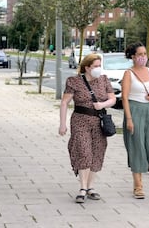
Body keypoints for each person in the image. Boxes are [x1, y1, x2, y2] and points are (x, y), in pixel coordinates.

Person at [59, 53, 116, 203]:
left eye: (99, 66)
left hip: (99, 121)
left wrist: (102, 105)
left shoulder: (104, 80)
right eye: (95, 66)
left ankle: (91, 187)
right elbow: (64, 102)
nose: (98, 69)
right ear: (87, 67)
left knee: (97, 153)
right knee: (83, 152)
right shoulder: (74, 81)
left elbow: (113, 99)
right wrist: (62, 124)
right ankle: (82, 188)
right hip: (80, 120)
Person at [121, 42, 149, 199]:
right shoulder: (128, 73)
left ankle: (144, 164)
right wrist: (129, 119)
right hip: (134, 110)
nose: (143, 57)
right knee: (137, 148)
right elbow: (124, 96)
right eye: (140, 55)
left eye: (145, 54)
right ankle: (138, 186)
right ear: (133, 57)